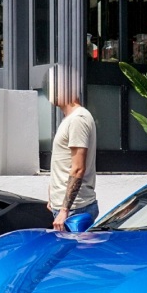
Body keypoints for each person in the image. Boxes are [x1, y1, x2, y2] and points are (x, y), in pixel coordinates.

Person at [48, 86, 98, 232]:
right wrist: (52, 194)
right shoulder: (69, 119)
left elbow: (78, 168)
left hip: (75, 211)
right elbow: (64, 160)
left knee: (76, 255)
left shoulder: (78, 119)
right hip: (68, 208)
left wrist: (64, 210)